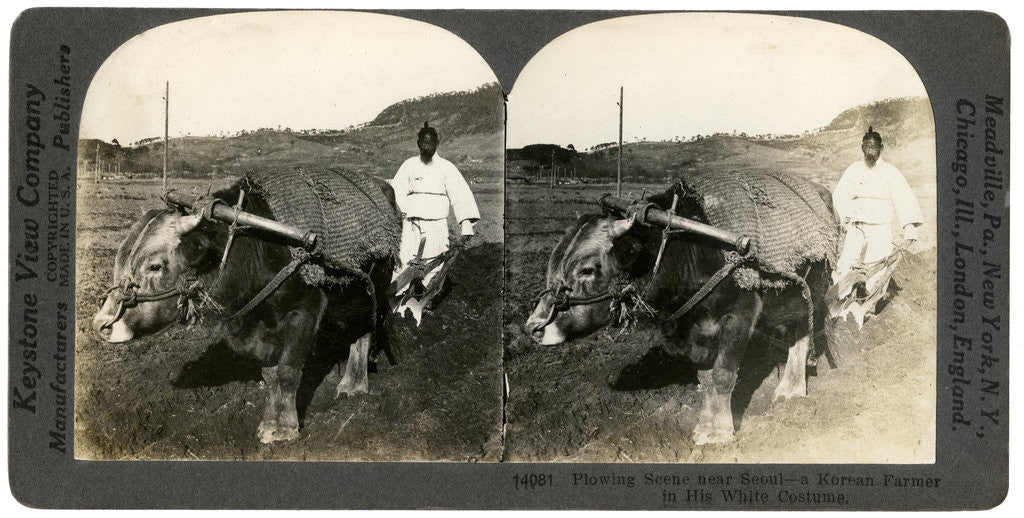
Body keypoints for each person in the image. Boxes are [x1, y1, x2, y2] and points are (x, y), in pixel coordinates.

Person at [830, 126, 923, 327]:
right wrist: (844, 218)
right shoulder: (853, 170)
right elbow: (840, 196)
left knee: (877, 268)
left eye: (874, 146)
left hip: (880, 229)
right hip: (857, 227)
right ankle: (841, 307)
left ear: (881, 148)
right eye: (866, 146)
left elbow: (903, 199)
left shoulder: (891, 173)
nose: (870, 150)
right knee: (846, 264)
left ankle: (866, 308)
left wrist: (908, 227)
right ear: (861, 148)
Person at [390, 121, 480, 323]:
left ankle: (425, 300)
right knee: (403, 259)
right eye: (423, 140)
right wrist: (398, 217)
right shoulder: (408, 165)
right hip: (410, 222)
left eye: (430, 141)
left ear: (437, 143)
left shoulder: (447, 168)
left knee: (434, 264)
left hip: (436, 225)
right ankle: (397, 301)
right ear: (418, 142)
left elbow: (460, 195)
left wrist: (465, 224)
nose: (426, 144)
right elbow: (396, 193)